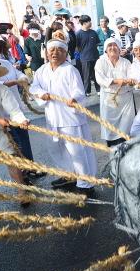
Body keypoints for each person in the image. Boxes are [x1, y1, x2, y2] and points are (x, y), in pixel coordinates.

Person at [29, 39, 97, 196]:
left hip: (70, 118)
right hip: (52, 117)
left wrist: (74, 98)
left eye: (59, 50)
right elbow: (34, 87)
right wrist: (41, 94)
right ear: (47, 52)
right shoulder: (42, 70)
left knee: (77, 151)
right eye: (52, 50)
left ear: (66, 53)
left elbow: (79, 91)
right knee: (56, 149)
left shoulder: (70, 70)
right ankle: (69, 175)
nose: (55, 52)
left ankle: (85, 183)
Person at [0, 32, 37, 169]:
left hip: (16, 110)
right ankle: (22, 172)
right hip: (1, 118)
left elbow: (17, 73)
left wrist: (23, 78)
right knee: (13, 146)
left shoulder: (6, 63)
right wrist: (15, 82)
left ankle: (31, 168)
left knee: (24, 139)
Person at [0, 61, 31, 205]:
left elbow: (14, 110)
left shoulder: (1, 89)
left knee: (11, 159)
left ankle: (21, 190)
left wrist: (21, 120)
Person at [94, 38, 136, 146]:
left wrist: (131, 81)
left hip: (126, 100)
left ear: (119, 48)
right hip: (108, 100)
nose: (112, 48)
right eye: (110, 46)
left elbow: (132, 77)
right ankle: (113, 150)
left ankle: (127, 150)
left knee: (126, 129)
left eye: (115, 45)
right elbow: (100, 79)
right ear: (105, 49)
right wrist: (117, 81)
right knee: (110, 128)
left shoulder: (126, 62)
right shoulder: (100, 62)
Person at [75, 15, 101, 95]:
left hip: (95, 57)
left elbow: (97, 43)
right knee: (86, 76)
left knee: (96, 74)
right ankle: (87, 91)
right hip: (85, 58)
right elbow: (77, 46)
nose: (90, 22)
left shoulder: (93, 32)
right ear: (83, 23)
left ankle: (99, 90)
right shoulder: (78, 34)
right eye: (88, 21)